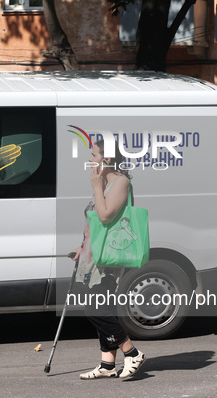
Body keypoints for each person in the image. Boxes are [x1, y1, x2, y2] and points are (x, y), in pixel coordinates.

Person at [71, 139, 145, 380]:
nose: (90, 160)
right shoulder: (104, 182)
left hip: (108, 261)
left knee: (95, 309)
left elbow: (105, 217)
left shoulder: (120, 183)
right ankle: (107, 363)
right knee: (103, 308)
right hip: (92, 256)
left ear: (108, 159)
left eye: (93, 155)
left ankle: (131, 352)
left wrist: (95, 186)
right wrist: (81, 247)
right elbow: (94, 225)